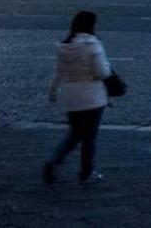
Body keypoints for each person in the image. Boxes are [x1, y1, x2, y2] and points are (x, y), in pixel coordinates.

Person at [43, 11, 110, 185]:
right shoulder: (92, 44)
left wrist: (53, 92)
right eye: (95, 23)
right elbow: (102, 72)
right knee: (89, 138)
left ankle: (54, 161)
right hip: (92, 97)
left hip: (71, 97)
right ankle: (87, 173)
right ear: (90, 25)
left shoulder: (65, 46)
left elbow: (59, 73)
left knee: (74, 133)